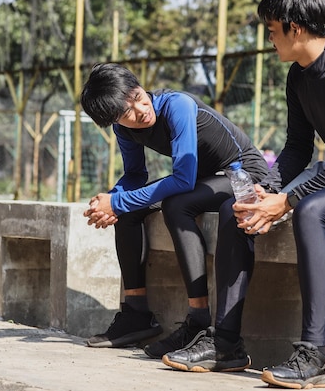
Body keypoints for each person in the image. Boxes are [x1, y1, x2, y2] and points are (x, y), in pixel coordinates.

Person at [162, 0, 325, 389]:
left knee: (312, 211)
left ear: (294, 28)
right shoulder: (298, 77)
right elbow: (298, 149)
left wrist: (288, 201)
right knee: (238, 206)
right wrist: (266, 191)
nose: (269, 38)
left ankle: (314, 356)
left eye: (272, 29)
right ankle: (225, 343)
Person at [80, 63, 268, 360]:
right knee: (129, 210)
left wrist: (117, 203)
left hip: (243, 174)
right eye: (127, 112)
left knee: (177, 203)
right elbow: (134, 175)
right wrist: (112, 199)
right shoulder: (124, 130)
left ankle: (198, 320)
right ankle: (136, 314)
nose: (141, 110)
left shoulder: (177, 105)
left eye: (139, 97)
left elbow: (182, 180)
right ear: (114, 120)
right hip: (203, 179)